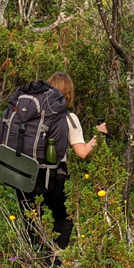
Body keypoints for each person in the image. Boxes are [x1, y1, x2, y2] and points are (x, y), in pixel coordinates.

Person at [19, 72, 107, 252]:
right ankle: (58, 259)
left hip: (26, 176)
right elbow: (82, 152)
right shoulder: (68, 118)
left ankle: (34, 262)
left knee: (32, 219)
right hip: (54, 178)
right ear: (68, 94)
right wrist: (98, 135)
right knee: (64, 217)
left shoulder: (29, 115)